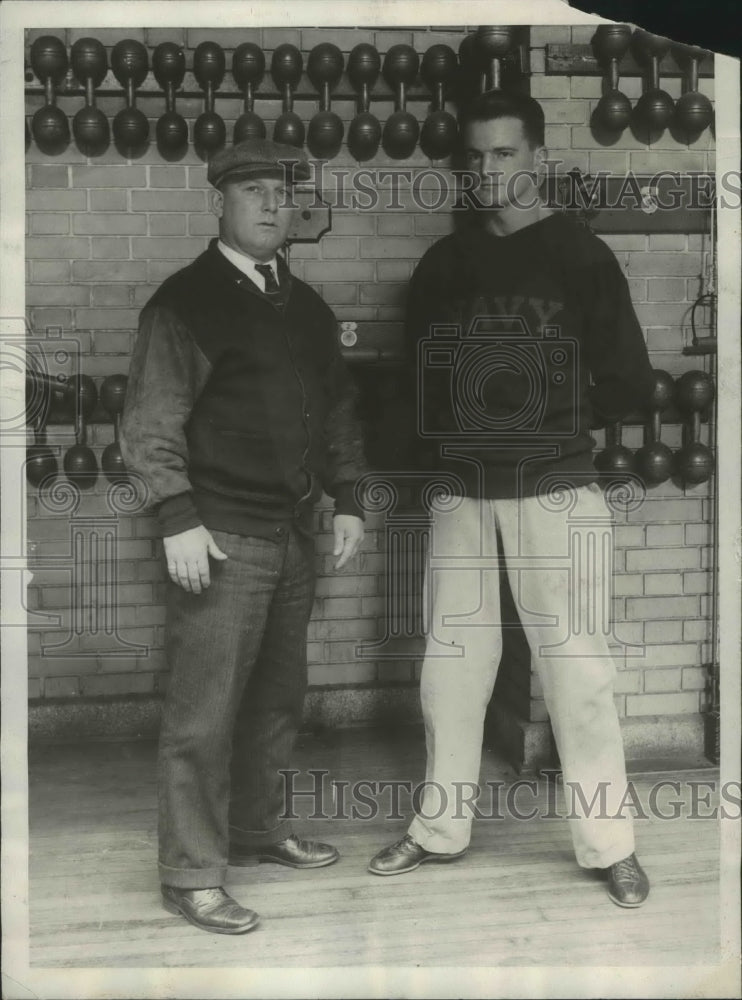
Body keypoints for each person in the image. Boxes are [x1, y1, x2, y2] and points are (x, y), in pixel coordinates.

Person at [368, 91, 654, 908]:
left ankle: (610, 847)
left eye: (502, 154)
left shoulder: (580, 255)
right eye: (474, 157)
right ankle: (440, 829)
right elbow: (415, 385)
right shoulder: (443, 265)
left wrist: (548, 421)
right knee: (452, 670)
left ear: (535, 156)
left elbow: (629, 381)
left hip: (559, 490)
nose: (486, 171)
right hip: (461, 492)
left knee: (580, 674)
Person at [120, 139, 366, 935]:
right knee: (202, 715)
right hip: (220, 537)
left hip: (292, 535)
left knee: (275, 700)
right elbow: (149, 424)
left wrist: (351, 499)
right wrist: (177, 519)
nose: (270, 204)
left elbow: (336, 415)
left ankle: (258, 831)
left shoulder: (308, 306)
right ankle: (190, 874)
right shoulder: (186, 300)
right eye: (252, 191)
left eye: (281, 193)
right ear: (218, 204)